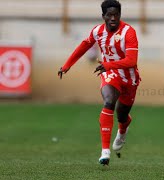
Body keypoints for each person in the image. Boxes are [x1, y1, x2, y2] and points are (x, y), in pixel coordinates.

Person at [58, 0, 140, 166]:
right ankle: (105, 151)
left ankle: (123, 129)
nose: (113, 18)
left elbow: (131, 60)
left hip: (129, 78)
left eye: (116, 15)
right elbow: (84, 45)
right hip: (109, 73)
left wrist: (107, 64)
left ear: (120, 15)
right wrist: (67, 65)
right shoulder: (97, 31)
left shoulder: (128, 32)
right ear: (103, 16)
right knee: (109, 101)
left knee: (122, 115)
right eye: (109, 15)